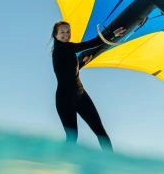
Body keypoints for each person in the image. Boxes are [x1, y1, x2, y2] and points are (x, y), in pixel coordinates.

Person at [51, 21, 126, 151]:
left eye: (68, 32)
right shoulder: (61, 49)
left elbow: (68, 72)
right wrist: (112, 34)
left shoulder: (67, 49)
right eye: (62, 32)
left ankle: (110, 160)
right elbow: (91, 43)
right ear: (55, 35)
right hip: (65, 99)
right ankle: (57, 160)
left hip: (80, 95)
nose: (66, 34)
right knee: (72, 138)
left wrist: (81, 63)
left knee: (101, 132)